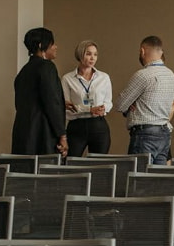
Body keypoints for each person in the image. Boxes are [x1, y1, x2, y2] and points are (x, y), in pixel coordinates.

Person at [114, 35, 174, 164]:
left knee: (138, 179)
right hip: (164, 133)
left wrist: (132, 102)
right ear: (161, 52)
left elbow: (120, 105)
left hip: (144, 134)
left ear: (142, 51)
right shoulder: (171, 75)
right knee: (158, 179)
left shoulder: (142, 75)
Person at [11, 27, 68, 156]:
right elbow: (52, 102)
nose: (55, 47)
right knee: (44, 173)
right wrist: (62, 135)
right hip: (43, 133)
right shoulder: (47, 67)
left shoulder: (23, 71)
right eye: (52, 43)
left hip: (22, 131)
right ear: (41, 45)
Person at [60, 40, 112, 156]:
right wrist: (88, 109)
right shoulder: (67, 79)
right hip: (77, 125)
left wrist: (104, 108)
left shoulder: (104, 77)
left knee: (99, 165)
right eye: (88, 54)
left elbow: (108, 102)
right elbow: (67, 107)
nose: (92, 58)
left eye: (95, 54)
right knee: (71, 162)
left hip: (98, 124)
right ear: (80, 54)